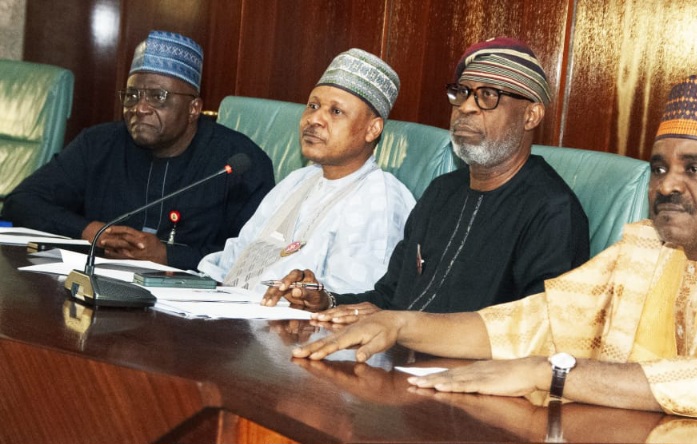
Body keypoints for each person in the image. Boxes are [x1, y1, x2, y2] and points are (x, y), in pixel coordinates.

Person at [293, 76, 697, 442]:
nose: (667, 186)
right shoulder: (648, 246)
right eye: (660, 168)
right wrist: (398, 322)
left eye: (695, 170)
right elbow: (537, 322)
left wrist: (550, 372)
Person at [263, 37, 589, 321]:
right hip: (400, 363)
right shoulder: (442, 192)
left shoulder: (552, 211)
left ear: (530, 115)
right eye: (461, 93)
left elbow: (534, 335)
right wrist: (326, 301)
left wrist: (407, 328)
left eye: (488, 95)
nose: (467, 108)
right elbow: (390, 301)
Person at [1, 30, 275, 270]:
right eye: (132, 96)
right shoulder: (99, 143)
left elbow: (254, 257)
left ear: (194, 108)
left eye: (158, 97)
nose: (140, 108)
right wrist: (89, 231)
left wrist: (169, 255)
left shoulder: (238, 163)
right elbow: (21, 202)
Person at [198, 48, 415, 294]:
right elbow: (238, 255)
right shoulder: (299, 179)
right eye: (312, 106)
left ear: (372, 129)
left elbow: (352, 301)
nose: (314, 119)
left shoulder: (378, 199)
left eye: (335, 111)